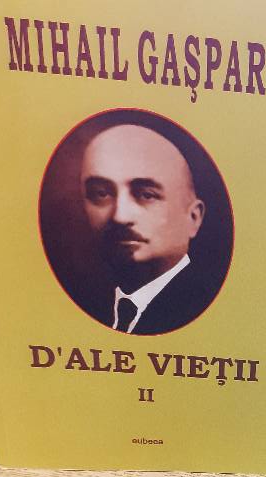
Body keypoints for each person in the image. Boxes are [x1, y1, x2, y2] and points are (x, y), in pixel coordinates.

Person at [79, 122, 212, 334]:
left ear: (193, 218)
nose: (120, 216)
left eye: (146, 195)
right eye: (101, 193)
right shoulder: (89, 304)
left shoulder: (206, 308)